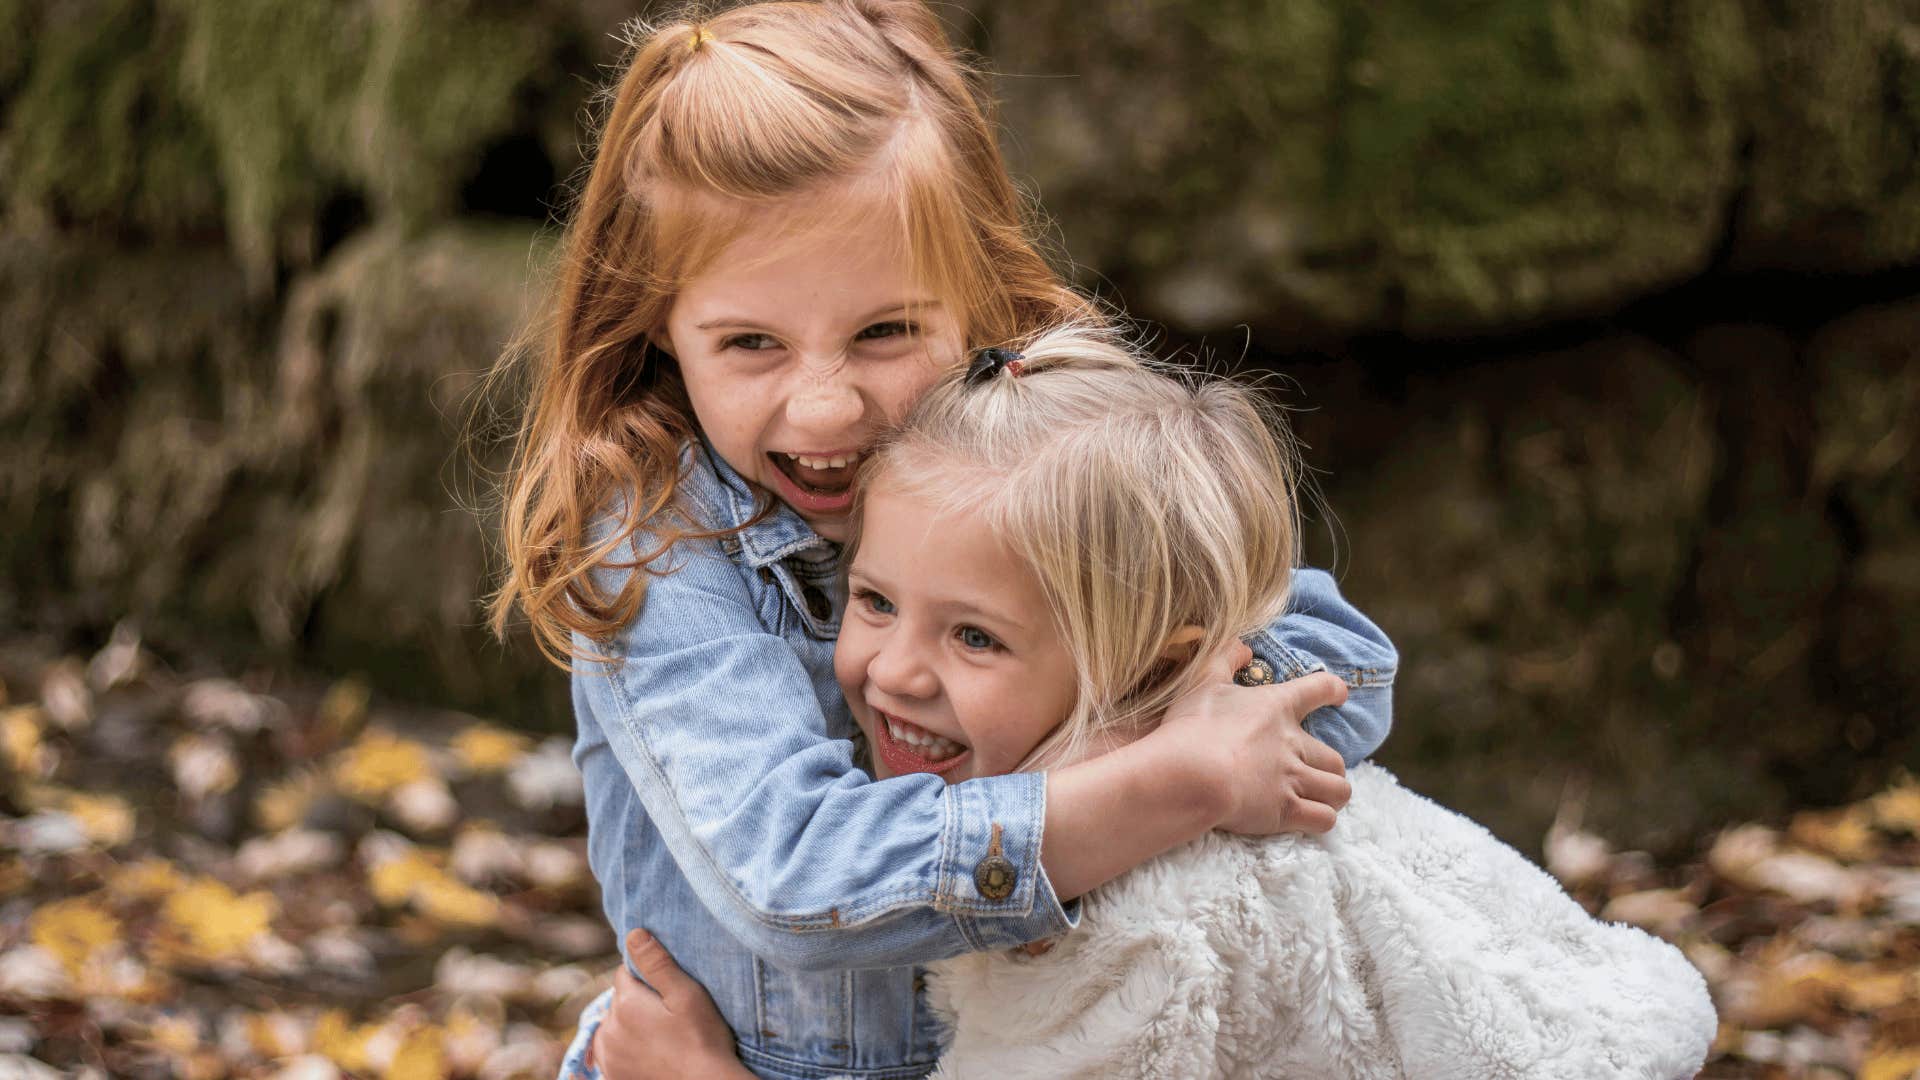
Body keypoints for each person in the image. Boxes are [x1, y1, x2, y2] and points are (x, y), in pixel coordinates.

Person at [488, 3, 1397, 1078]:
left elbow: (1341, 668)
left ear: (974, 296)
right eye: (749, 344)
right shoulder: (654, 541)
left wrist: (1179, 706)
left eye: (885, 332)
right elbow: (795, 875)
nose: (825, 410)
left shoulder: (1035, 456)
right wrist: (1166, 782)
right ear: (654, 324)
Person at [595, 325, 1719, 1079]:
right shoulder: (1180, 769)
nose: (891, 671)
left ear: (1148, 664)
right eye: (874, 600)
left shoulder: (1141, 924)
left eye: (976, 636)